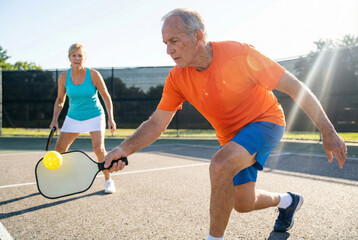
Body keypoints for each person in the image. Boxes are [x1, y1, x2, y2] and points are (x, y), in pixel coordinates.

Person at [103, 8, 347, 239]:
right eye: (165, 43)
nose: (168, 50)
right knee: (243, 203)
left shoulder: (239, 54)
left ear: (198, 36)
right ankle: (289, 201)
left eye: (174, 41)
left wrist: (328, 130)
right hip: (232, 138)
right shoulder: (177, 77)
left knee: (220, 164)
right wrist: (123, 149)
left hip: (266, 121)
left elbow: (294, 86)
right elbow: (157, 122)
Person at [50, 43, 117, 194]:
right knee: (59, 149)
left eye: (80, 55)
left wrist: (110, 118)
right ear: (69, 58)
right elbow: (60, 100)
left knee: (99, 149)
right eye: (74, 55)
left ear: (84, 58)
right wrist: (54, 120)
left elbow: (106, 97)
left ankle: (108, 181)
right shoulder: (63, 77)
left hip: (94, 115)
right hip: (73, 116)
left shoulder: (93, 74)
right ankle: (61, 178)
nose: (77, 58)